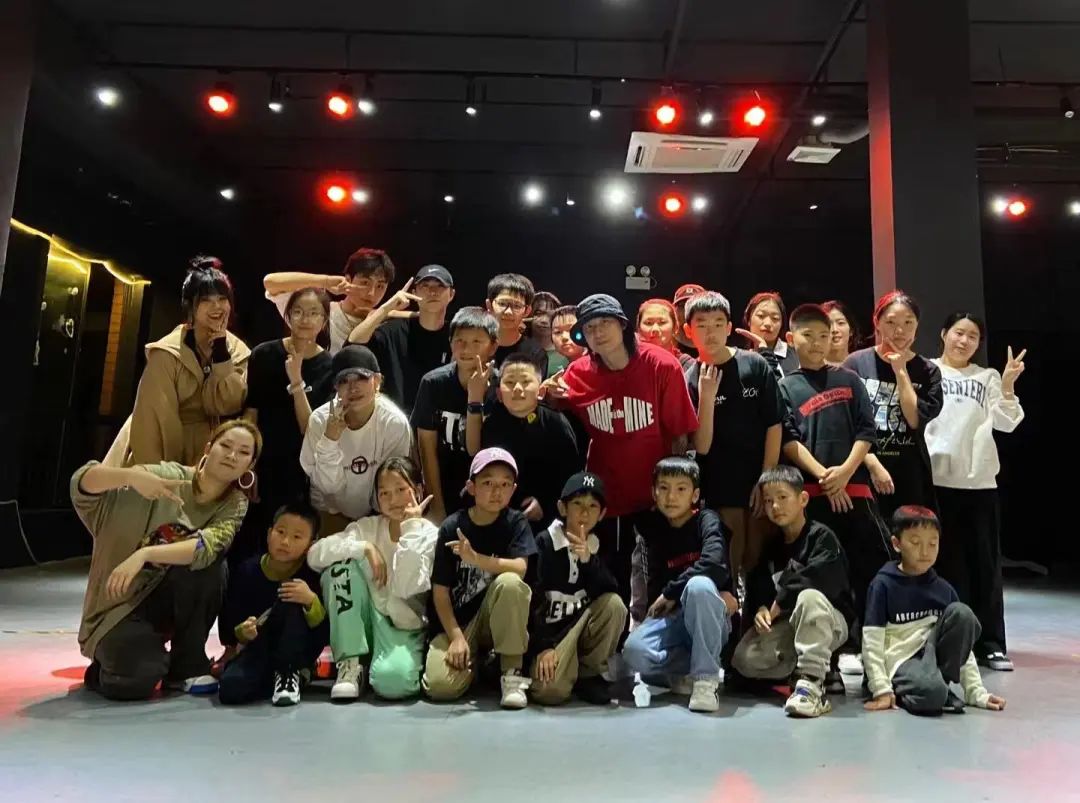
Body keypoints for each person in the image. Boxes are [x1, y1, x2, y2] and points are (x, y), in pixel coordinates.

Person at [72, 420, 261, 700]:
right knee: (136, 682)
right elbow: (81, 483)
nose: (232, 455)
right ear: (208, 448)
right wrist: (130, 477)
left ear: (250, 465)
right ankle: (105, 669)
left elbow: (208, 546)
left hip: (163, 600)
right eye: (225, 445)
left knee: (211, 565)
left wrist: (145, 554)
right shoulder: (165, 476)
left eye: (243, 452)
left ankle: (186, 667)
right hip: (117, 609)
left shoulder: (234, 503)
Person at [543, 294, 698, 616]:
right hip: (608, 493)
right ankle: (613, 636)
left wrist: (674, 489)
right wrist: (549, 395)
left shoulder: (661, 365)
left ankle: (656, 636)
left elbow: (680, 435)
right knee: (612, 573)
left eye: (605, 323)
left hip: (655, 492)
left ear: (624, 325)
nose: (598, 332)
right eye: (589, 327)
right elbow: (554, 402)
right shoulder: (578, 372)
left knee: (662, 573)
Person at [778, 304, 891, 674]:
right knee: (822, 578)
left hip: (856, 493)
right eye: (808, 336)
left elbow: (866, 431)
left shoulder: (849, 380)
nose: (817, 343)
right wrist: (826, 478)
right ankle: (825, 662)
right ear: (791, 338)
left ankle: (873, 658)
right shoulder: (785, 386)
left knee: (871, 572)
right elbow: (789, 441)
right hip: (813, 497)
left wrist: (845, 472)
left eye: (824, 336)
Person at [925, 312, 1026, 672]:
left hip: (978, 484)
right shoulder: (927, 370)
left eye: (972, 336)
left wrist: (1008, 385)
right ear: (943, 334)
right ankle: (947, 642)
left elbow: (1008, 423)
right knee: (939, 565)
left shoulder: (987, 377)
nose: (964, 341)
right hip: (935, 482)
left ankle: (991, 644)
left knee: (984, 566)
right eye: (958, 333)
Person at [307, 457, 439, 701]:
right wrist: (364, 547)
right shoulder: (367, 527)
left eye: (401, 489)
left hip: (402, 626)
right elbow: (315, 555)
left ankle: (375, 664)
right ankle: (350, 664)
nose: (393, 499)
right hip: (366, 617)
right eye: (384, 493)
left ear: (418, 490)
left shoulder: (430, 535)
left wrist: (411, 527)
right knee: (340, 569)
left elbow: (408, 586)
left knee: (393, 684)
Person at [730, 467, 855, 717]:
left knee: (809, 597)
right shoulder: (772, 546)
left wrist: (780, 600)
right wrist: (761, 609)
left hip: (828, 622)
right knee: (743, 660)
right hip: (789, 625)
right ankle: (799, 673)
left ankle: (812, 685)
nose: (775, 506)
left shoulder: (822, 537)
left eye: (782, 497)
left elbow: (820, 579)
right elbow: (760, 585)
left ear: (803, 499)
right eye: (768, 501)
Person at [863, 506, 1007, 716]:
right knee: (933, 696)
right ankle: (915, 689)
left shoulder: (943, 589)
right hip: (900, 661)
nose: (925, 552)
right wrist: (880, 688)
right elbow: (872, 641)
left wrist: (976, 692)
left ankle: (935, 685)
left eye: (932, 544)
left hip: (931, 659)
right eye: (915, 543)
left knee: (962, 614)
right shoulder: (883, 585)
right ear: (896, 544)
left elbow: (963, 647)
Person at [422, 448, 537, 709]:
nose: (497, 492)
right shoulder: (453, 526)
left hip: (495, 618)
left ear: (513, 489)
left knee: (511, 583)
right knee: (440, 687)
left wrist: (476, 559)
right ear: (471, 487)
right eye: (487, 483)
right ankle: (479, 665)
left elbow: (520, 568)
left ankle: (511, 672)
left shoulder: (516, 523)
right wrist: (456, 637)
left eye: (505, 484)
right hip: (462, 623)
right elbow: (440, 591)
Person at [622, 457, 737, 713]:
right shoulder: (655, 530)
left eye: (681, 489)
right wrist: (663, 601)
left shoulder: (707, 520)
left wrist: (672, 592)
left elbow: (714, 564)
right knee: (634, 652)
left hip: (710, 613)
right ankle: (687, 671)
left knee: (699, 586)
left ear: (695, 495)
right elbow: (655, 590)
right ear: (654, 493)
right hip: (674, 618)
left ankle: (705, 680)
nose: (671, 497)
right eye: (663, 488)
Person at [683, 291, 784, 583]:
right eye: (702, 325)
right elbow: (701, 446)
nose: (711, 332)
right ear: (688, 331)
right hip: (719, 484)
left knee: (758, 560)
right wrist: (707, 397)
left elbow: (774, 424)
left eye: (718, 323)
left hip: (758, 477)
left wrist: (766, 478)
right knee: (729, 560)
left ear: (729, 327)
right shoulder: (690, 377)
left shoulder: (754, 365)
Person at [110, 258, 249, 466]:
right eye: (206, 300)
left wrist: (221, 354)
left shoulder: (238, 351)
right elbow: (152, 418)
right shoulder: (167, 353)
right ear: (190, 306)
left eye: (222, 299)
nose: (217, 307)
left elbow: (228, 404)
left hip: (218, 456)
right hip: (167, 450)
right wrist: (161, 472)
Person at [235, 287, 333, 561]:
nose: (305, 319)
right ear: (287, 316)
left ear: (324, 321)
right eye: (298, 312)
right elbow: (251, 412)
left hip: (299, 470)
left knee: (287, 544)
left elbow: (311, 430)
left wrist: (296, 380)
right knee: (248, 539)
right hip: (261, 461)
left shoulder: (330, 366)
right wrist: (247, 464)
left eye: (314, 313)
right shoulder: (264, 354)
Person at [843, 290, 944, 521]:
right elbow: (846, 422)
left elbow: (914, 419)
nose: (900, 331)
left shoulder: (928, 371)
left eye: (908, 322)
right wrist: (872, 463)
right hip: (863, 466)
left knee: (910, 533)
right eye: (891, 322)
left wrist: (900, 371)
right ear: (877, 323)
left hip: (910, 471)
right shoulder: (855, 363)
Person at [528, 472, 627, 705]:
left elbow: (611, 590)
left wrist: (588, 561)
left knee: (614, 605)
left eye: (593, 506)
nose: (585, 513)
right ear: (562, 508)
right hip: (552, 635)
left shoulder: (600, 544)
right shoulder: (544, 543)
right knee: (550, 692)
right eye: (577, 504)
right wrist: (543, 647)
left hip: (580, 630)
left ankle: (590, 674)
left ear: (602, 514)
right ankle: (558, 669)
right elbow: (532, 599)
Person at [218, 503, 328, 707]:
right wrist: (244, 631)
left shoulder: (313, 574)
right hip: (260, 648)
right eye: (280, 532)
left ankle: (290, 672)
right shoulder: (247, 570)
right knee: (230, 689)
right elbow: (233, 623)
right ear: (269, 534)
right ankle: (283, 677)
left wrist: (311, 600)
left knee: (291, 598)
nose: (285, 542)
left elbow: (323, 631)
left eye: (297, 537)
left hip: (298, 649)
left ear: (310, 545)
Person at [300, 346, 412, 534]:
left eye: (361, 378)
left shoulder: (394, 423)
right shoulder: (319, 421)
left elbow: (391, 484)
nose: (353, 388)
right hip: (329, 511)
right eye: (344, 381)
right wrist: (330, 440)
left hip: (378, 513)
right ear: (336, 387)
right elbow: (327, 487)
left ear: (377, 380)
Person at [474, 352, 581, 530]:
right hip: (500, 515)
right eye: (509, 382)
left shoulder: (556, 423)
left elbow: (571, 474)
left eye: (525, 382)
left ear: (540, 391)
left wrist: (546, 503)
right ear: (499, 394)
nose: (517, 388)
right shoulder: (492, 425)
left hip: (549, 519)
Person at [412, 306, 500, 522]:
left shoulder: (501, 387)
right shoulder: (433, 383)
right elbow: (426, 446)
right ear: (450, 343)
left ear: (493, 346)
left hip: (489, 491)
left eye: (476, 342)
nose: (466, 348)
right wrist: (436, 505)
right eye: (459, 340)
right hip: (445, 486)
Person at [346, 264, 456, 414]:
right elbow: (353, 344)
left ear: (451, 294)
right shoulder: (393, 331)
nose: (432, 291)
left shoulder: (456, 336)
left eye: (440, 286)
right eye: (425, 285)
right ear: (413, 293)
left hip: (438, 421)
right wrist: (386, 308)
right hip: (394, 420)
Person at [263, 247, 398, 354]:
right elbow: (271, 282)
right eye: (365, 283)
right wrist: (326, 281)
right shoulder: (320, 312)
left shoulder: (385, 323)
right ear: (348, 279)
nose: (371, 293)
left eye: (380, 286)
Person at [485, 273, 548, 378]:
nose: (508, 312)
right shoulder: (475, 344)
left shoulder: (535, 353)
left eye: (517, 306)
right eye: (502, 304)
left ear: (527, 311)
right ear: (489, 305)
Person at [740, 291, 800, 377]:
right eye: (761, 316)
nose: (768, 323)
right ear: (748, 320)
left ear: (782, 324)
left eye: (775, 318)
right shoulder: (740, 357)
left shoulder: (797, 356)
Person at [637, 298, 693, 367]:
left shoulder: (686, 364)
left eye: (662, 322)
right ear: (639, 328)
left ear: (675, 328)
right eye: (648, 323)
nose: (655, 329)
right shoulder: (629, 361)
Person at [529, 291, 569, 377]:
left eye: (551, 315)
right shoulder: (518, 348)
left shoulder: (567, 352)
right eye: (538, 314)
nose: (544, 320)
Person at [672, 283, 705, 358]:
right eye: (682, 306)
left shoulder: (717, 342)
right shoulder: (665, 343)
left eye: (695, 306)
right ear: (674, 311)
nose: (687, 311)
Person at [822, 300, 860, 365]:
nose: (835, 329)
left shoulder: (862, 366)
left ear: (851, 330)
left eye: (841, 323)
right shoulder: (810, 367)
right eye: (828, 324)